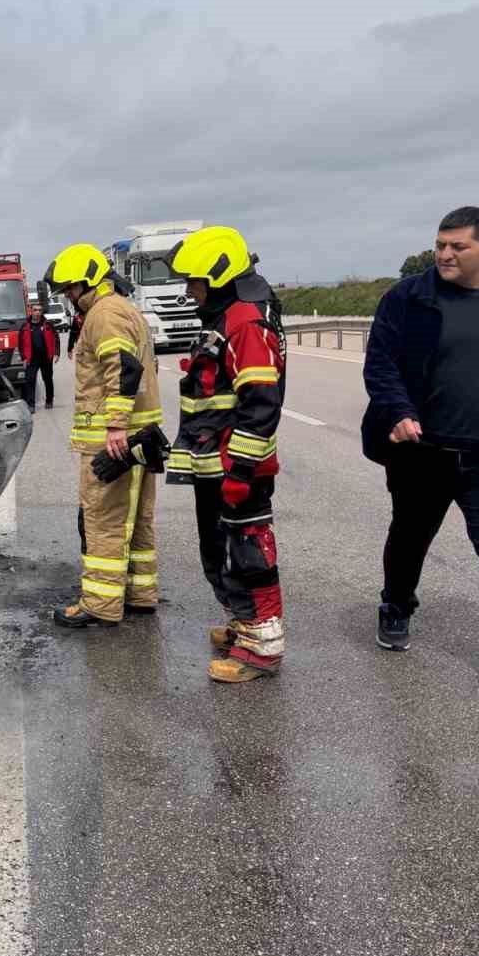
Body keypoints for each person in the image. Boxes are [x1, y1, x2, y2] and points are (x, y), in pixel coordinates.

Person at [362, 206, 479, 692]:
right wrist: (398, 411)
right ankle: (396, 605)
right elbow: (380, 363)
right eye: (440, 244)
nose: (444, 254)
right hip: (423, 451)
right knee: (409, 539)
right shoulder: (409, 298)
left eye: (457, 247)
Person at [167, 227, 286, 683]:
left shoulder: (244, 324)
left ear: (217, 278)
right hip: (215, 463)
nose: (188, 292)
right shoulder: (228, 319)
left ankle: (261, 651)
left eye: (194, 282)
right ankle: (244, 625)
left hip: (236, 468)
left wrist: (240, 470)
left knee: (250, 555)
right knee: (220, 553)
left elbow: (260, 406)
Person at [44, 243, 162, 627]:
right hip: (138, 435)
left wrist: (114, 426)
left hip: (116, 440)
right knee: (137, 518)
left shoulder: (104, 315)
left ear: (87, 282)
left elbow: (121, 369)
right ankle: (140, 594)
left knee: (103, 520)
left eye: (69, 290)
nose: (67, 298)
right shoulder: (123, 309)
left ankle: (101, 604)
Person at [18, 304, 59, 409]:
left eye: (40, 310)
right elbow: (20, 344)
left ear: (42, 312)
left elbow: (56, 338)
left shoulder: (48, 324)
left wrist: (57, 353)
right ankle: (31, 405)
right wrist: (23, 357)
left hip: (46, 358)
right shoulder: (25, 326)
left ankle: (49, 401)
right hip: (31, 358)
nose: (37, 312)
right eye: (35, 310)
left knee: (48, 379)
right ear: (31, 311)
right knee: (30, 380)